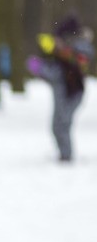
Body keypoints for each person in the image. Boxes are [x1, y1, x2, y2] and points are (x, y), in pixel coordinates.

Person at [28, 14, 94, 162]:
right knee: (58, 125)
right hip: (64, 91)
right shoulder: (62, 54)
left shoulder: (75, 51)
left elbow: (69, 67)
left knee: (62, 123)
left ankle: (66, 155)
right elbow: (55, 73)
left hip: (72, 93)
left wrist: (40, 68)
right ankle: (64, 153)